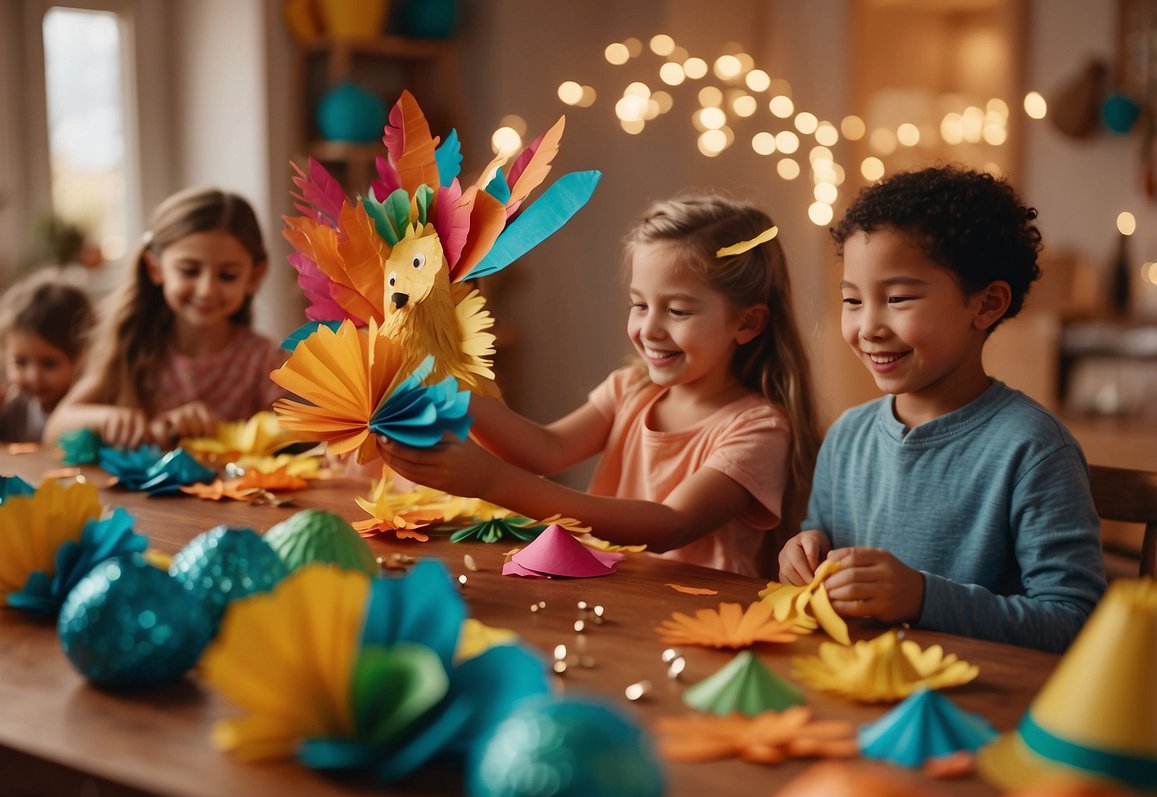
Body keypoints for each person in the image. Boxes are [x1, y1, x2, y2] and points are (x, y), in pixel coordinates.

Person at [380, 193, 821, 577]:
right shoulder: (630, 388)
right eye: (639, 304)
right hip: (614, 597)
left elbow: (671, 524)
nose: (650, 329)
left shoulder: (760, 429)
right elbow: (547, 449)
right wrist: (450, 392)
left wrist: (491, 481)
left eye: (679, 311)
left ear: (747, 323)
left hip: (701, 621)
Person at [778, 165, 1105, 653]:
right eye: (852, 299)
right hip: (851, 686)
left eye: (898, 298)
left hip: (977, 706)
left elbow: (1073, 624)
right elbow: (819, 537)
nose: (868, 326)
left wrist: (924, 598)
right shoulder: (847, 436)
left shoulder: (1032, 450)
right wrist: (802, 552)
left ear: (987, 304)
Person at [44, 187, 285, 448]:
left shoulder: (262, 359)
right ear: (155, 268)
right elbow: (54, 430)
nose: (206, 290)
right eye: (189, 271)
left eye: (227, 276)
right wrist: (109, 418)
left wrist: (221, 431)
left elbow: (294, 437)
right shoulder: (135, 348)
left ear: (254, 276)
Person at [0, 274, 93, 442]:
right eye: (20, 362)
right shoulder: (14, 404)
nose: (33, 376)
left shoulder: (89, 407)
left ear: (81, 356)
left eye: (49, 364)